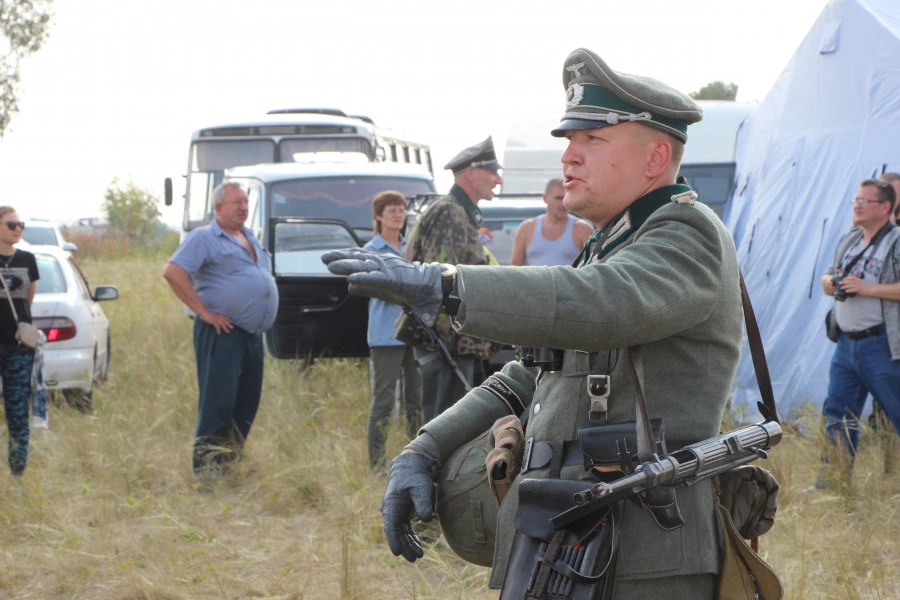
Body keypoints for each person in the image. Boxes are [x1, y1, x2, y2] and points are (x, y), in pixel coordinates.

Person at [325, 48, 744, 598]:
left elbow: (601, 302)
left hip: (645, 555)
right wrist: (424, 448)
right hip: (565, 534)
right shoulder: (612, 244)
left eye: (591, 140)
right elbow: (527, 376)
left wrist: (446, 284)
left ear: (655, 157)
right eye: (569, 141)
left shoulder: (686, 234)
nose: (568, 157)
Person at [163, 181, 279, 477]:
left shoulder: (249, 237)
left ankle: (230, 463)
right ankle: (206, 472)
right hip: (222, 333)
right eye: (236, 202)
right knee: (219, 403)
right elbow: (173, 272)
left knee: (246, 404)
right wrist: (203, 312)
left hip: (252, 336)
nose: (243, 207)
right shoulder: (204, 237)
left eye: (245, 202)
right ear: (218, 208)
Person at [400, 136, 503, 422]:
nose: (498, 180)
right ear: (471, 174)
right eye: (492, 172)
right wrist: (445, 345)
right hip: (446, 344)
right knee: (442, 427)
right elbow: (439, 285)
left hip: (455, 343)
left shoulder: (458, 212)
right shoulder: (450, 213)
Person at [819, 178, 900, 485]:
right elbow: (832, 271)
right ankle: (833, 485)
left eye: (864, 201)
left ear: (885, 207)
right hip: (846, 345)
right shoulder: (851, 238)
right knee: (837, 416)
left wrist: (869, 289)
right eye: (855, 200)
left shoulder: (896, 241)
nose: (857, 205)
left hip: (881, 345)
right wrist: (829, 281)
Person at [363, 191, 422, 472]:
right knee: (384, 401)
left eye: (402, 211)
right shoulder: (371, 249)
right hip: (386, 335)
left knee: (416, 399)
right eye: (392, 211)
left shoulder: (410, 246)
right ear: (378, 216)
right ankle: (377, 464)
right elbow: (376, 288)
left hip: (413, 331)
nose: (398, 216)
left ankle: (416, 459)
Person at [0, 206, 39, 476]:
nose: (17, 229)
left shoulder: (27, 259)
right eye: (11, 224)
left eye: (20, 225)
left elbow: (27, 301)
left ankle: (17, 473)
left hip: (18, 347)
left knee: (17, 412)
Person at [510, 178, 593, 266]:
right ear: (545, 198)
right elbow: (514, 269)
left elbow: (592, 270)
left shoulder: (582, 229)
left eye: (566, 197)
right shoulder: (527, 228)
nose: (563, 203)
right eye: (558, 198)